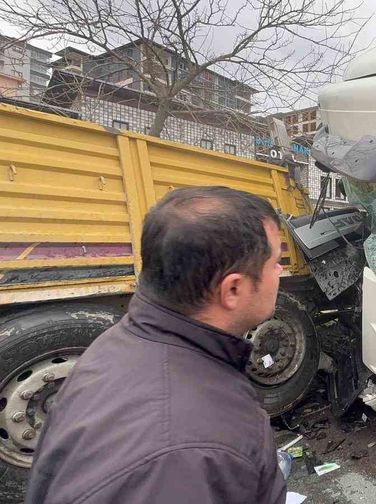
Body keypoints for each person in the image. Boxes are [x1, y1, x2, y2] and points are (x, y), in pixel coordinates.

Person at [26, 187, 289, 504]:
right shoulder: (188, 452)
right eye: (275, 261)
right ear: (233, 289)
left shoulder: (123, 344)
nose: (281, 271)